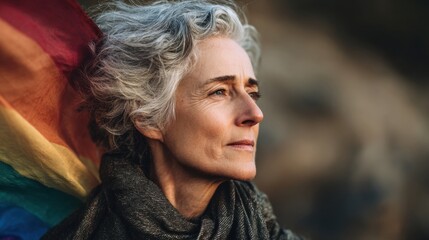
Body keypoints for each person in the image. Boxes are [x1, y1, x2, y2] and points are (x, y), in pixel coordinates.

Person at [43, 1, 303, 239]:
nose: (255, 114)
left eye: (252, 93)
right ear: (148, 118)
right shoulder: (81, 233)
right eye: (219, 92)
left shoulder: (264, 230)